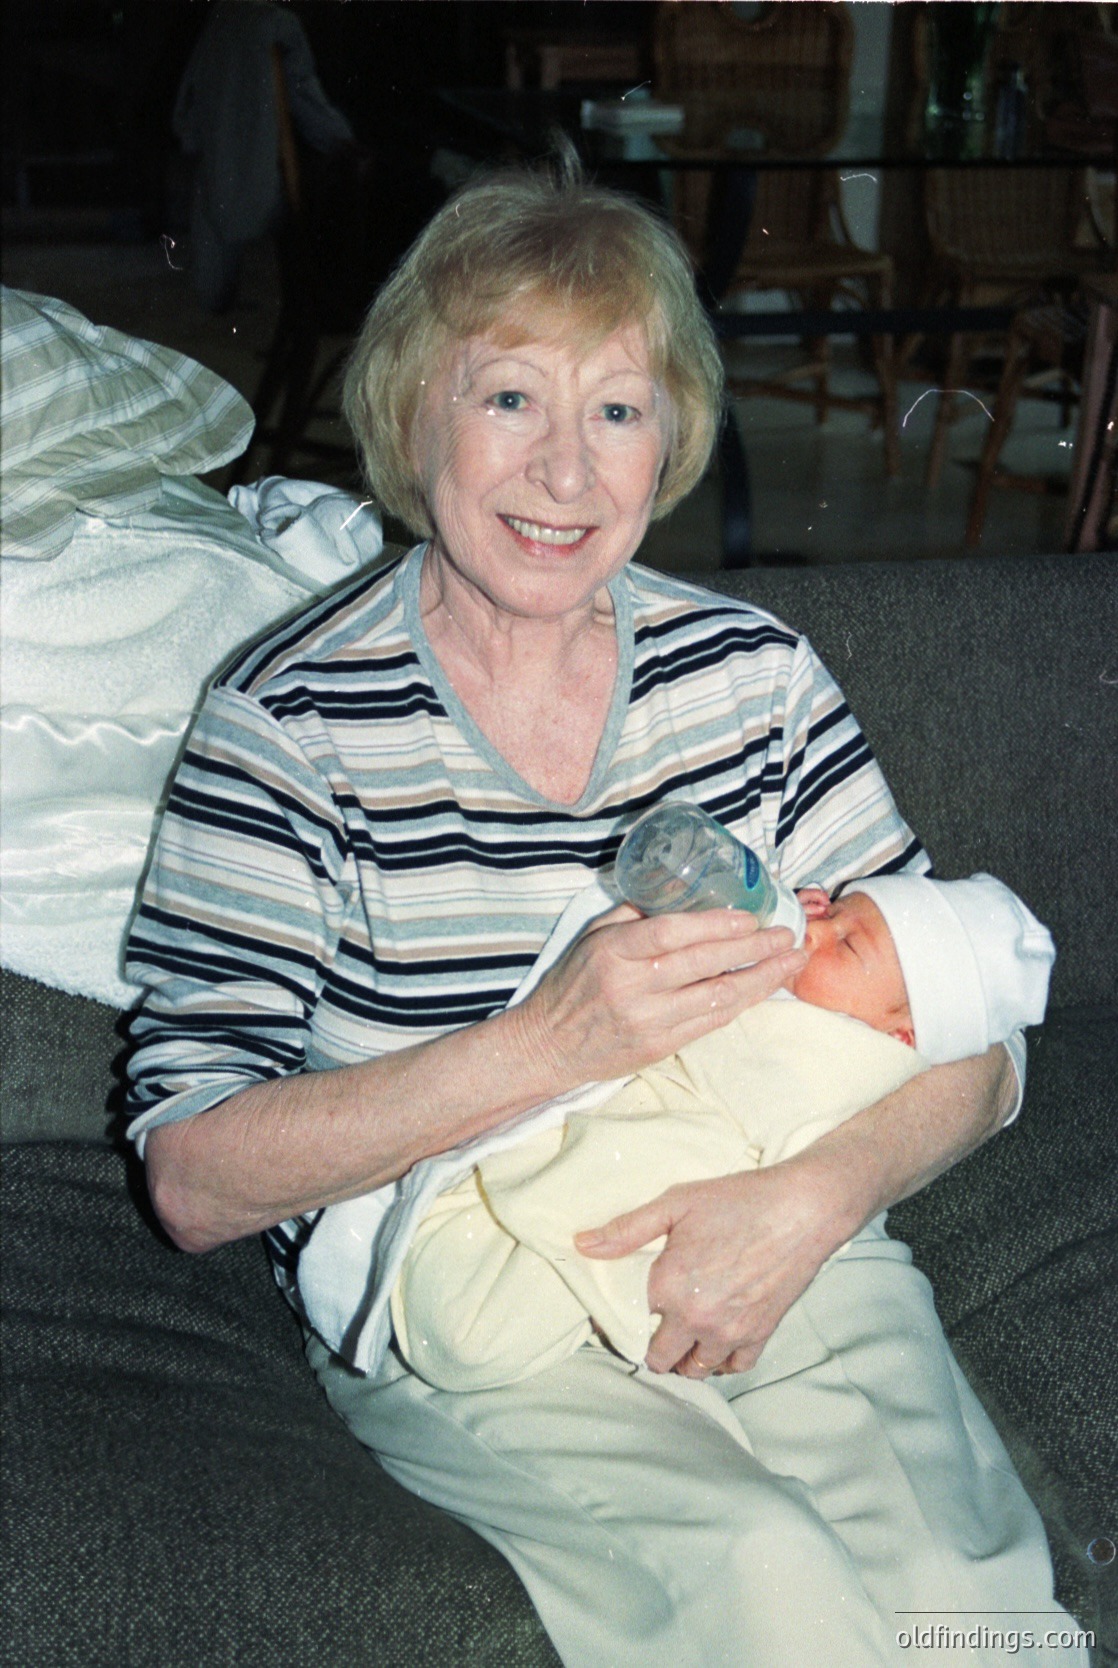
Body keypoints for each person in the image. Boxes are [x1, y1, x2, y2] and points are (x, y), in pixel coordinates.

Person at [124, 160, 1086, 1667]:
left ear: (671, 444)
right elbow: (193, 1177)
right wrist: (550, 1041)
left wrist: (814, 1200)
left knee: (978, 1613)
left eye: (618, 411)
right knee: (768, 1591)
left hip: (778, 1220)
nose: (566, 475)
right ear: (412, 415)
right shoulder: (286, 725)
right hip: (476, 1301)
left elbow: (970, 1035)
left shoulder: (749, 678)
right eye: (509, 399)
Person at [390, 873, 1056, 1392]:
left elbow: (737, 1061)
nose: (814, 923)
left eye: (846, 940)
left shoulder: (852, 1060)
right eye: (833, 907)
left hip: (673, 1204)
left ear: (900, 1034)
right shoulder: (831, 989)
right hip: (600, 1137)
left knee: (494, 1314)